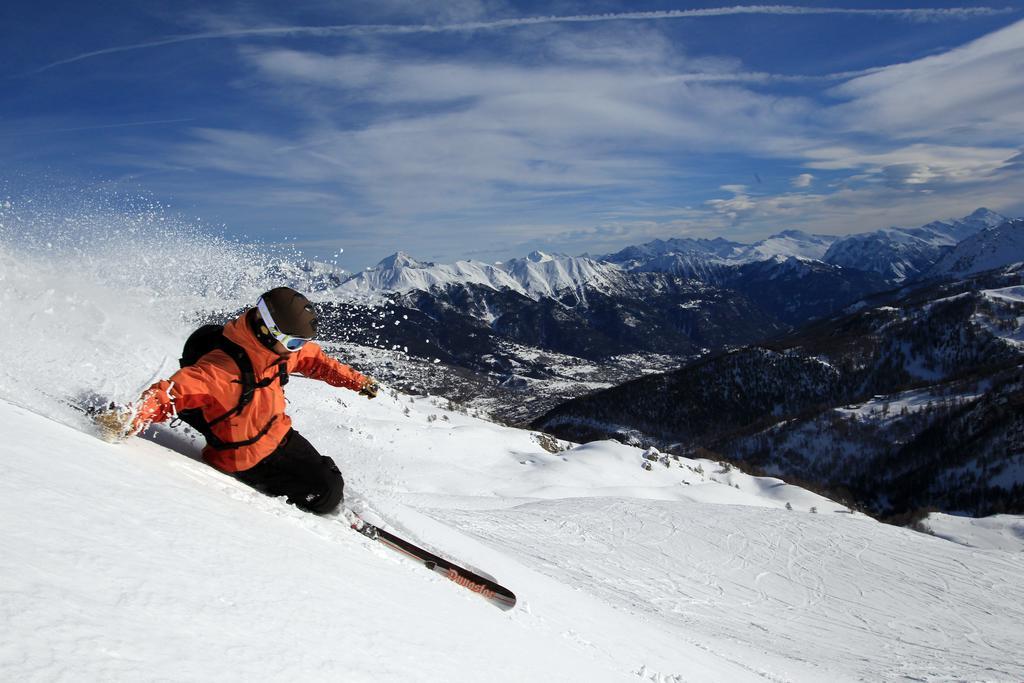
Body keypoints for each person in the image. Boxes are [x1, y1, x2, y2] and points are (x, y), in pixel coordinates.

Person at [96, 287, 378, 515]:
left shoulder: (277, 352)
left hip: (279, 435)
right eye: (294, 343)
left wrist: (356, 381)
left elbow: (316, 361)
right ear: (267, 331)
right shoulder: (219, 371)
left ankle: (322, 495)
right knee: (326, 494)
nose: (297, 351)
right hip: (245, 459)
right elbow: (170, 393)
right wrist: (130, 417)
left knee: (330, 480)